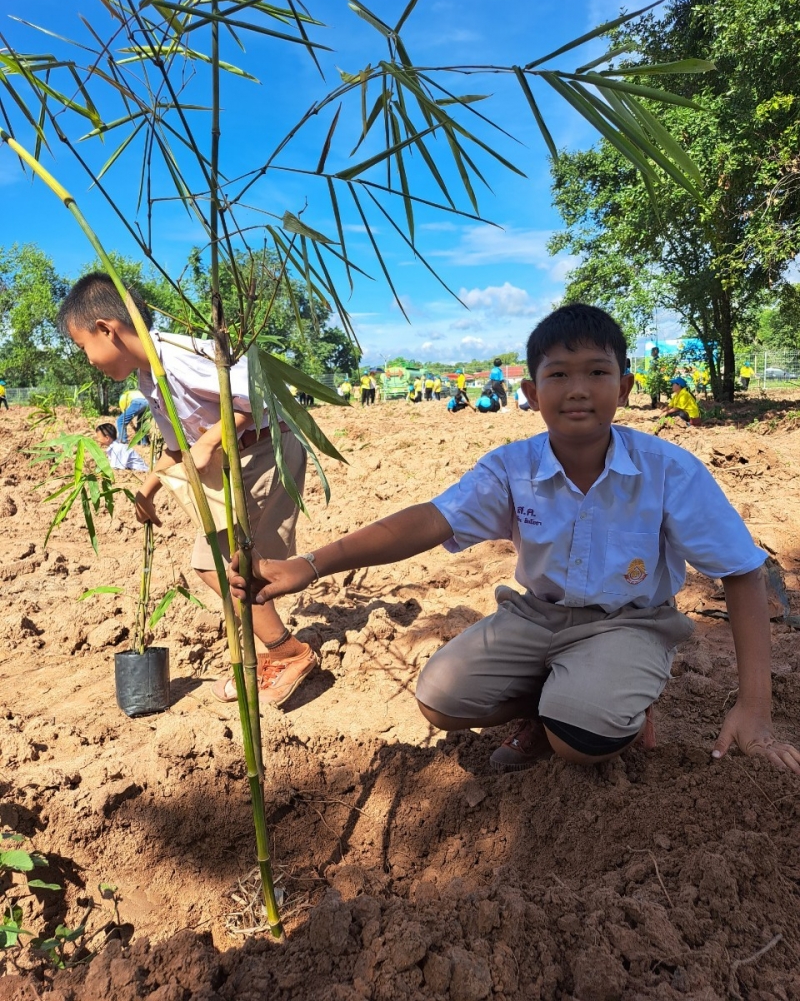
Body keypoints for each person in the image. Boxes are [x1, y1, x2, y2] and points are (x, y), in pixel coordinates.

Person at [229, 302, 800, 778]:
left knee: (581, 738)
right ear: (530, 391)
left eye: (597, 373)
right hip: (536, 618)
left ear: (625, 387)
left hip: (630, 623)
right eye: (558, 375)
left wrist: (755, 708)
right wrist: (310, 564)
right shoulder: (511, 469)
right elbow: (431, 519)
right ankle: (549, 706)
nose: (578, 390)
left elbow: (741, 570)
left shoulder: (667, 470)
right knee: (439, 697)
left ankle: (609, 708)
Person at [58, 271, 316, 709]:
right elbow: (178, 449)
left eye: (83, 346)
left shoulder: (181, 356)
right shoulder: (149, 379)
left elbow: (260, 398)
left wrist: (210, 441)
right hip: (239, 463)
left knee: (220, 565)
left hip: (264, 452)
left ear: (106, 329)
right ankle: (268, 656)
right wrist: (147, 490)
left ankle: (289, 654)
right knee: (228, 566)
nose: (88, 359)